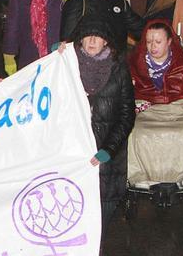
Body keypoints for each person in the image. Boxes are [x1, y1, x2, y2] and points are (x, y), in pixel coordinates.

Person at [59, 18, 135, 229]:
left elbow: (126, 115)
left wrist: (108, 150)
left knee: (98, 226)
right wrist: (1, 88)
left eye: (98, 36)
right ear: (80, 40)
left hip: (107, 164)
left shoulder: (118, 69)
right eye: (87, 35)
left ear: (106, 41)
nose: (92, 40)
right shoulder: (66, 64)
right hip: (72, 160)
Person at [130, 20, 183, 105]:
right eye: (149, 42)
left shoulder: (182, 62)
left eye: (158, 42)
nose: (153, 46)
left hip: (178, 106)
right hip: (146, 106)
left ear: (169, 41)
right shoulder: (134, 64)